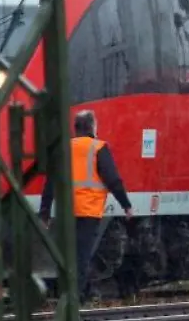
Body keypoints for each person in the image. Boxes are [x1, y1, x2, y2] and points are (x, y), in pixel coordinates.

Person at [39, 110, 133, 301]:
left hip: (66, 212)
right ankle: (75, 299)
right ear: (93, 127)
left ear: (75, 129)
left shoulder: (64, 149)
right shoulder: (99, 148)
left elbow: (50, 183)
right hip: (89, 212)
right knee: (81, 257)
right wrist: (126, 205)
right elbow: (113, 180)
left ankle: (64, 293)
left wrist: (45, 213)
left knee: (66, 255)